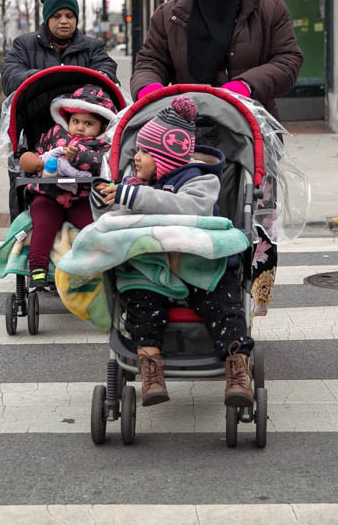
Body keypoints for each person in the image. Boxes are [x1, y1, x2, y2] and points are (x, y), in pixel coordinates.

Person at [92, 95, 253, 409]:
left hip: (199, 265)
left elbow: (188, 208)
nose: (136, 157)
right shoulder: (135, 185)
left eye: (144, 152)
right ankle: (150, 366)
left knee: (225, 306)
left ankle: (237, 368)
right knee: (140, 303)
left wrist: (134, 196)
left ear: (165, 156)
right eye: (136, 151)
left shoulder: (201, 180)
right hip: (153, 269)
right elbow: (113, 223)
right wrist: (103, 202)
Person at [131, 0, 303, 119]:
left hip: (253, 123)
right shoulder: (168, 15)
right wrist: (148, 89)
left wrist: (246, 86)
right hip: (186, 123)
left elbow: (287, 60)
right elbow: (150, 62)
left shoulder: (270, 9)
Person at [20, 84, 120, 289]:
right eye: (76, 121)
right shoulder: (55, 133)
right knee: (43, 223)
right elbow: (40, 153)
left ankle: (95, 268)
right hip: (48, 194)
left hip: (83, 197)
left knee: (92, 227)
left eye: (88, 123)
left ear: (102, 127)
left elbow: (105, 166)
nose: (80, 127)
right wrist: (34, 162)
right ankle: (37, 267)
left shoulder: (103, 145)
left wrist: (79, 157)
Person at [0, 0, 119, 94]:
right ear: (47, 19)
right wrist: (47, 77)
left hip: (81, 110)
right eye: (56, 16)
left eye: (69, 16)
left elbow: (107, 71)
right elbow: (10, 78)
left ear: (76, 19)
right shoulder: (23, 45)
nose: (64, 21)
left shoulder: (94, 47)